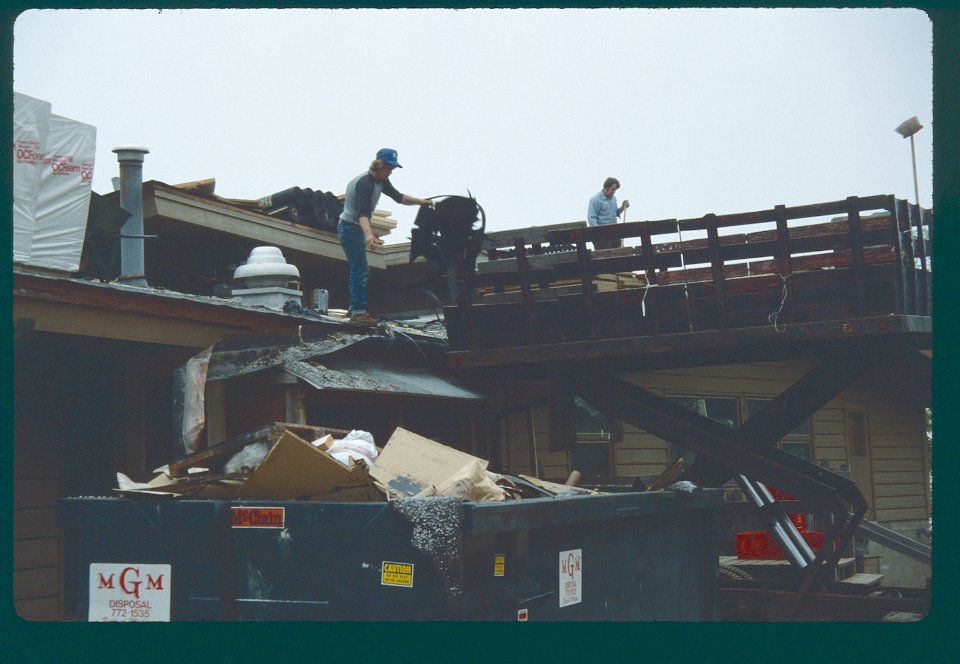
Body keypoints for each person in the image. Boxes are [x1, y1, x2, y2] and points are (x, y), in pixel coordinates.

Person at [337, 148, 433, 325]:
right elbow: (363, 214)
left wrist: (421, 202)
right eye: (389, 168)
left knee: (361, 269)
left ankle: (355, 309)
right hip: (350, 228)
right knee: (359, 268)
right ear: (378, 165)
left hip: (356, 227)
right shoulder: (365, 183)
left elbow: (399, 197)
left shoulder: (381, 181)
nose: (390, 172)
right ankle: (358, 313)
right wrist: (368, 235)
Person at [587, 177, 630, 249]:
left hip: (614, 233)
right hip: (602, 236)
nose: (614, 192)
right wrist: (599, 232)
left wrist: (623, 207)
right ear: (606, 188)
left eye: (615, 190)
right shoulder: (596, 199)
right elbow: (591, 218)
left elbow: (614, 213)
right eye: (613, 189)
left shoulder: (613, 198)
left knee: (618, 255)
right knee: (603, 257)